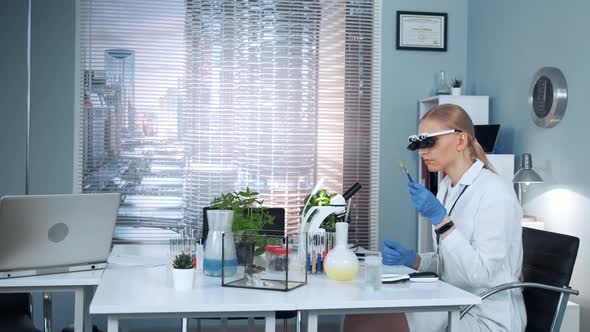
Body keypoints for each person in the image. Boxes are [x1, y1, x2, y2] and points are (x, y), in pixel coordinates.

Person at [345, 104, 526, 332]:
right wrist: (415, 260)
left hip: (486, 314)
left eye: (429, 142)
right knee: (357, 317)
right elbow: (452, 264)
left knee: (368, 326)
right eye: (419, 144)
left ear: (460, 141)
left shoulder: (495, 191)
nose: (421, 151)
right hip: (452, 300)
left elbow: (482, 275)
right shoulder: (445, 188)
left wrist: (442, 221)